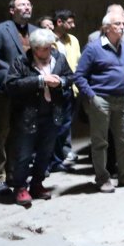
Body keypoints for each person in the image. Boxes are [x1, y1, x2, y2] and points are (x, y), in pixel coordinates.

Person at [3, 28, 74, 206]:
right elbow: (11, 84)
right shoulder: (22, 61)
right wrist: (40, 81)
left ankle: (37, 184)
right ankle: (20, 187)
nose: (47, 52)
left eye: (49, 48)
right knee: (24, 154)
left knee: (45, 153)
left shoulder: (58, 58)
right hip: (28, 116)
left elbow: (70, 77)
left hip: (52, 115)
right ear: (34, 48)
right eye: (43, 49)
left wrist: (61, 82)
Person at [75, 12, 124, 192]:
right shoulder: (93, 48)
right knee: (100, 142)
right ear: (106, 28)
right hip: (101, 99)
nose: (122, 27)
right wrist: (92, 96)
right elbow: (79, 76)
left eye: (123, 24)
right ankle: (102, 178)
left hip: (122, 99)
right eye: (117, 24)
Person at [0, 0, 34, 195]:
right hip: (4, 91)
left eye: (29, 4)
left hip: (26, 91)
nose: (27, 7)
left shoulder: (36, 31)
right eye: (22, 4)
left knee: (20, 135)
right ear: (12, 10)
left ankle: (14, 174)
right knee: (0, 135)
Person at [50, 9, 81, 172]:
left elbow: (78, 62)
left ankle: (61, 156)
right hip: (52, 88)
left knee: (66, 124)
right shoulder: (47, 39)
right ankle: (52, 159)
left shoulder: (73, 40)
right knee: (53, 124)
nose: (73, 25)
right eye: (70, 22)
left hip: (70, 86)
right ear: (59, 22)